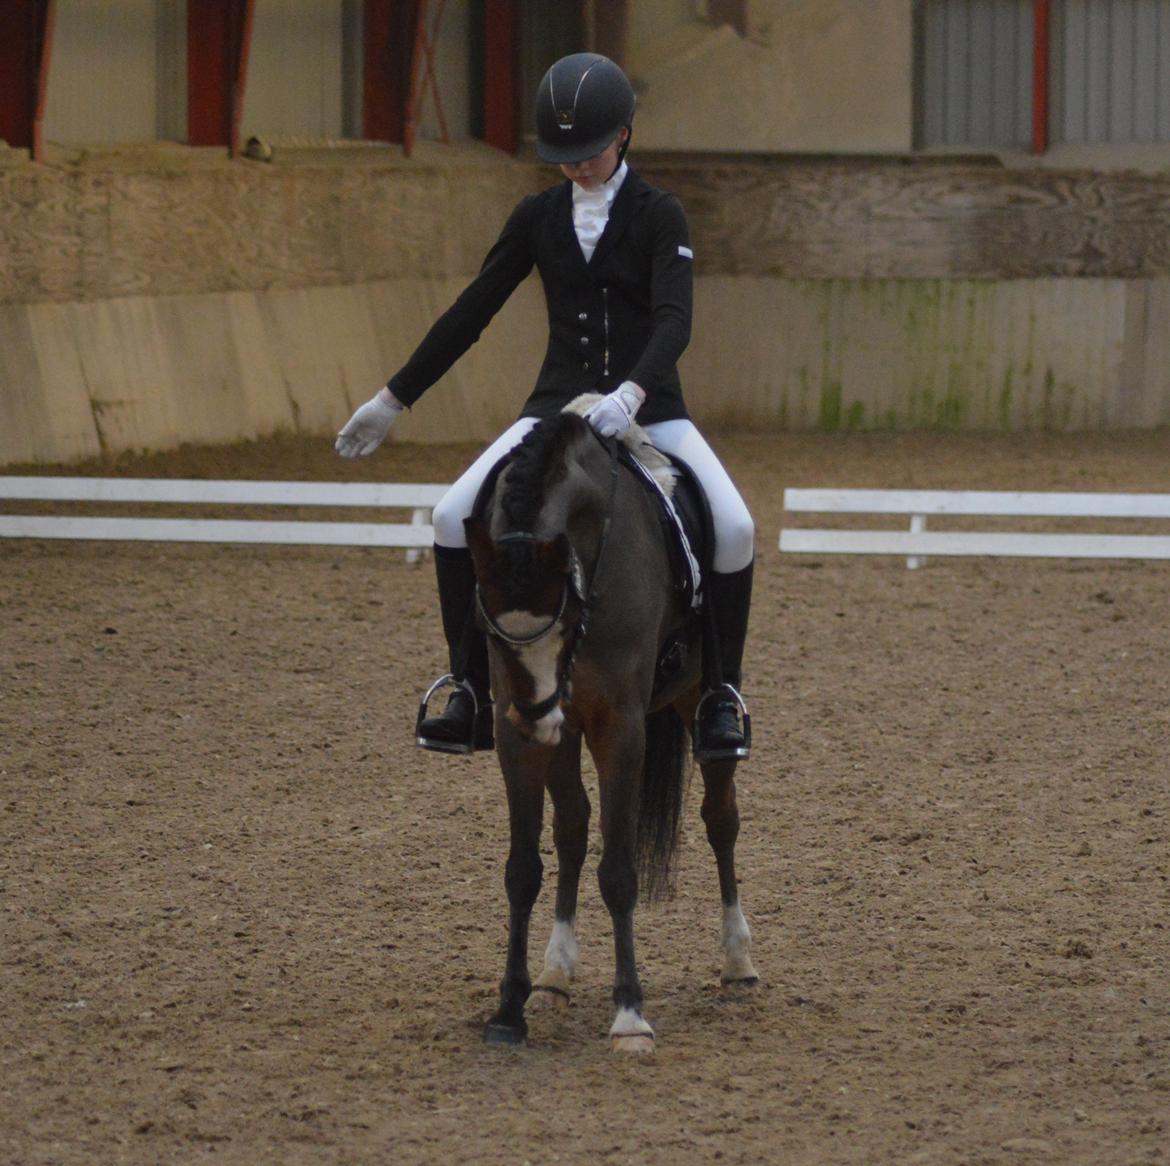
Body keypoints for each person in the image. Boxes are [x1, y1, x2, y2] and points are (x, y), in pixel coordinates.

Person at [336, 51, 754, 760]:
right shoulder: (537, 217)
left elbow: (674, 320)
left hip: (651, 410)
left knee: (737, 526)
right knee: (447, 516)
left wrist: (633, 392)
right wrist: (393, 397)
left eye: (587, 150)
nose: (575, 166)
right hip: (555, 408)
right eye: (563, 154)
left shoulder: (660, 215)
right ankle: (466, 688)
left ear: (623, 134)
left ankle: (721, 694)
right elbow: (474, 311)